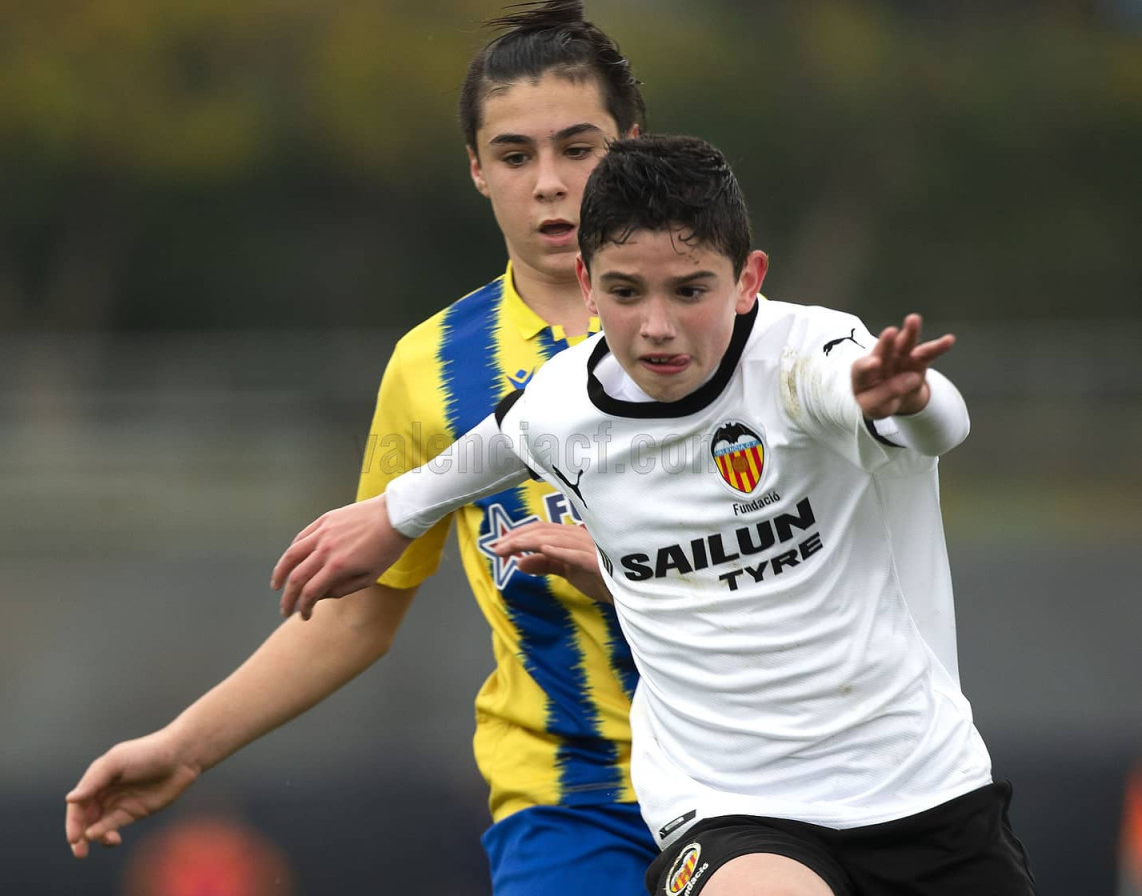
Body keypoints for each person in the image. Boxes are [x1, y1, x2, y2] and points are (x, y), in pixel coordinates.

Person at [271, 134, 1038, 894]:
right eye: (627, 292)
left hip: (920, 787)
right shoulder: (564, 401)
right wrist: (394, 514)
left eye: (690, 291)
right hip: (727, 806)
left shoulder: (812, 358)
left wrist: (909, 400)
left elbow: (940, 424)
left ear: (747, 280)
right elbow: (497, 442)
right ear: (587, 282)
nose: (657, 325)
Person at [65, 3, 659, 894]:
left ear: (632, 147)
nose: (549, 183)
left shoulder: (727, 332)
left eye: (579, 149)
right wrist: (183, 748)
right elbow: (356, 615)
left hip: (760, 775)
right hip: (571, 802)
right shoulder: (431, 369)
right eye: (514, 155)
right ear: (476, 169)